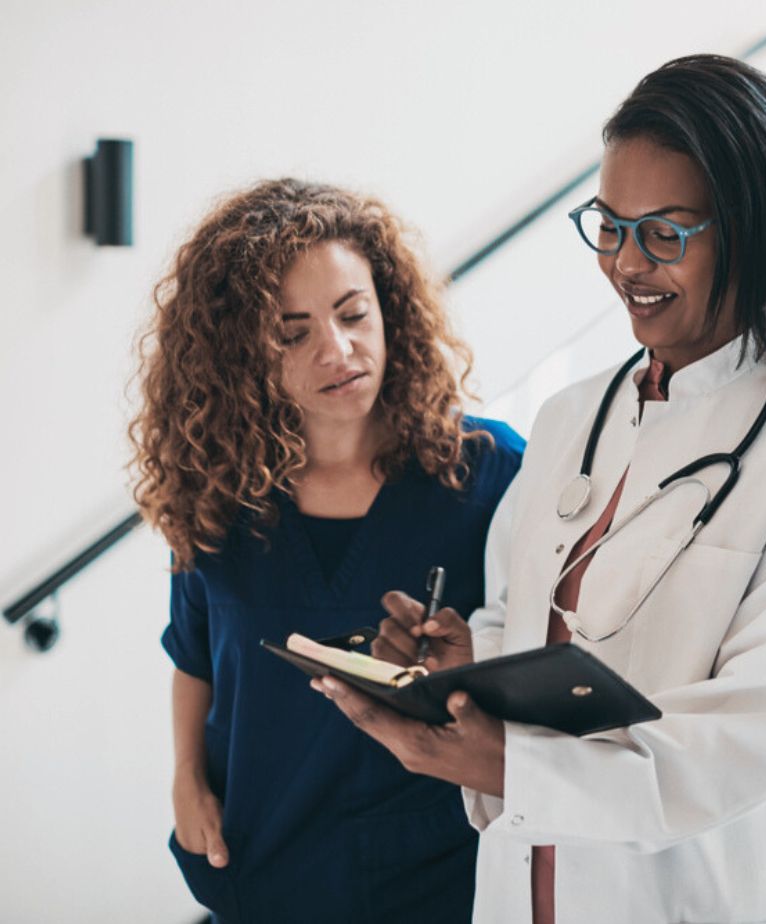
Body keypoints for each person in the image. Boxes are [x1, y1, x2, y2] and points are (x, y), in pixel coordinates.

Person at [315, 55, 766, 923]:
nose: (625, 263)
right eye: (610, 225)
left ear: (755, 230)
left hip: (715, 895)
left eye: (663, 232)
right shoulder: (568, 420)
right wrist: (460, 668)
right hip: (535, 884)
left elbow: (763, 730)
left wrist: (505, 763)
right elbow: (521, 620)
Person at [130, 178, 523, 923]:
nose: (337, 351)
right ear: (242, 351)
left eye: (353, 315)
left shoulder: (487, 474)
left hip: (434, 877)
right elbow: (194, 659)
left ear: (390, 311)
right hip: (262, 860)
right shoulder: (217, 493)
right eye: (293, 332)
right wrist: (186, 780)